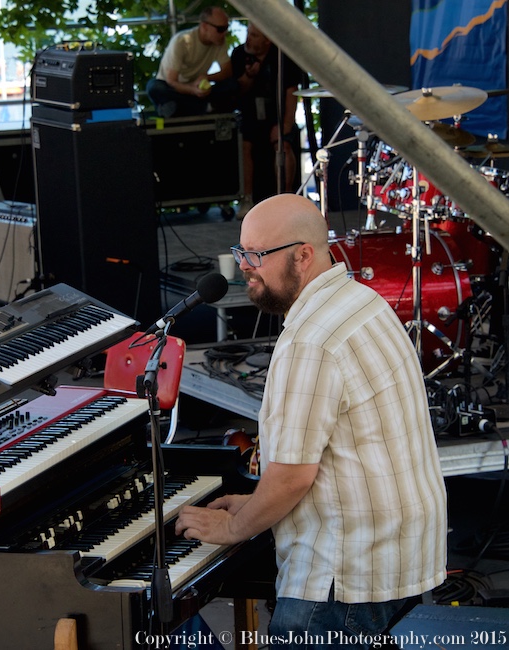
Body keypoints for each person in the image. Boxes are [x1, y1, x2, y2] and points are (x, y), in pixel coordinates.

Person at [175, 194, 447, 647]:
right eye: (242, 253)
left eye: (257, 255)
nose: (244, 267)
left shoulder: (310, 340)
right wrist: (255, 502)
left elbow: (291, 478)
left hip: (344, 577)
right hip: (401, 554)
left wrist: (234, 527)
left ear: (303, 254)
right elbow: (343, 454)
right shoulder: (363, 302)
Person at [231, 23, 303, 218]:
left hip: (276, 114)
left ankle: (286, 195)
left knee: (284, 146)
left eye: (254, 35)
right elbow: (238, 90)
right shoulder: (239, 54)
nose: (249, 39)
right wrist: (249, 75)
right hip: (251, 113)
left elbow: (291, 92)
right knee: (245, 146)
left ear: (267, 39)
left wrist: (285, 124)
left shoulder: (282, 57)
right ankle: (247, 198)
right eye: (248, 33)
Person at [146, 7, 238, 118]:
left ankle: (185, 109)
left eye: (226, 28)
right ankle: (205, 108)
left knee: (233, 85)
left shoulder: (219, 42)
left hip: (196, 93)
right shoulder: (181, 41)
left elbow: (227, 72)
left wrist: (207, 78)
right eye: (220, 29)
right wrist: (193, 90)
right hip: (175, 90)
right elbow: (171, 81)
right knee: (154, 87)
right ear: (204, 26)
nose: (224, 33)